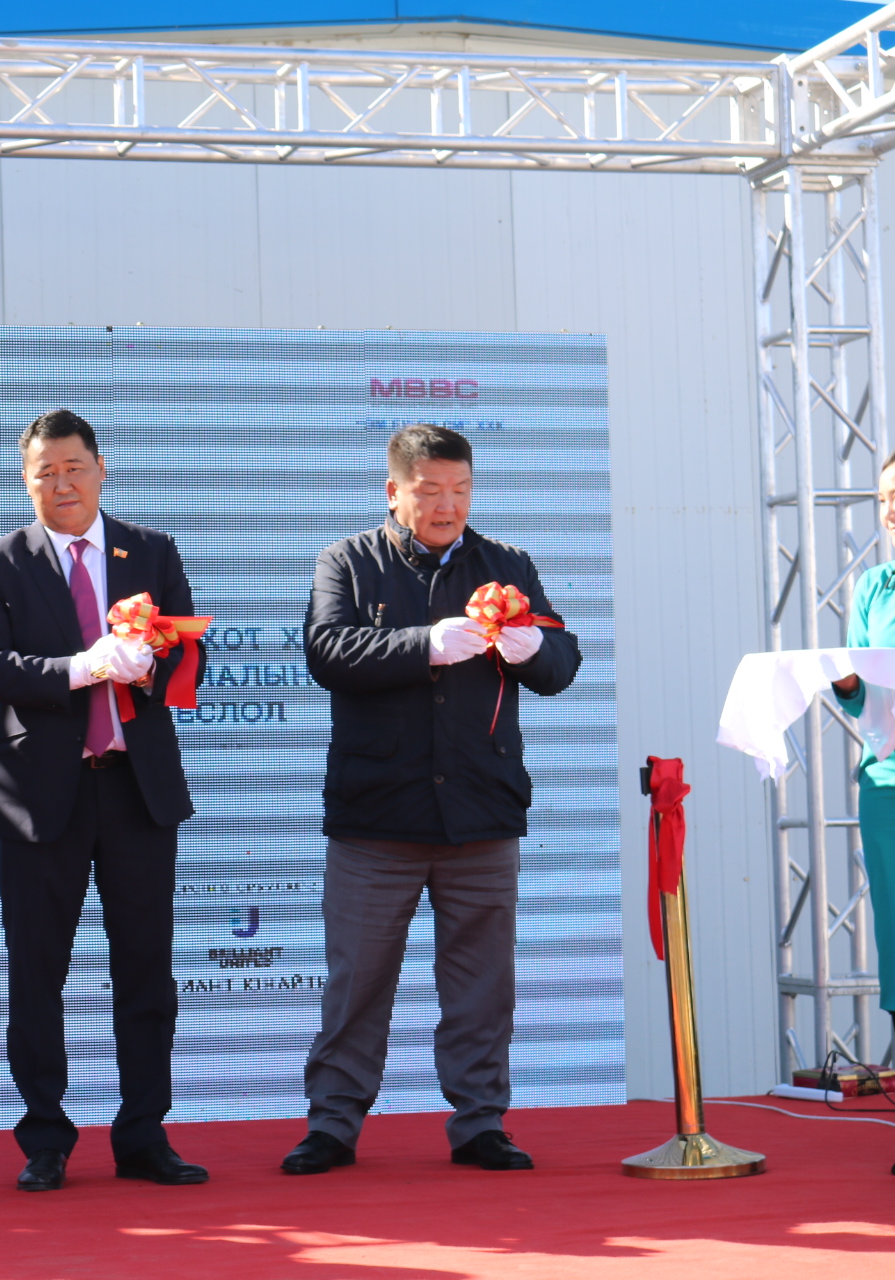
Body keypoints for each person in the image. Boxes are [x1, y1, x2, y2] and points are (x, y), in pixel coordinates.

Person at [282, 423, 581, 1176]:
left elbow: (561, 662)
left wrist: (532, 648)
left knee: (483, 985)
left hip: (482, 811)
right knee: (357, 980)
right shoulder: (347, 561)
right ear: (395, 492)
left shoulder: (507, 565)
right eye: (431, 491)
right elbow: (327, 650)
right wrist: (426, 644)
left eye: (461, 490)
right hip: (376, 815)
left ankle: (481, 1122)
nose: (448, 506)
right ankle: (333, 1124)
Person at [0, 408, 207, 1193]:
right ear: (25, 480)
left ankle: (144, 1134)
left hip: (138, 792)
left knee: (146, 973)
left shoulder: (152, 552)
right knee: (37, 974)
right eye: (46, 472)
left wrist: (149, 666)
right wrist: (81, 667)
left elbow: (190, 661)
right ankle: (45, 1139)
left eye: (74, 468)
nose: (61, 483)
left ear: (102, 469)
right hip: (40, 798)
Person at [829, 446, 895, 1175]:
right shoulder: (875, 586)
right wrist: (845, 682)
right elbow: (861, 701)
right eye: (884, 498)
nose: (891, 510)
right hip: (891, 788)